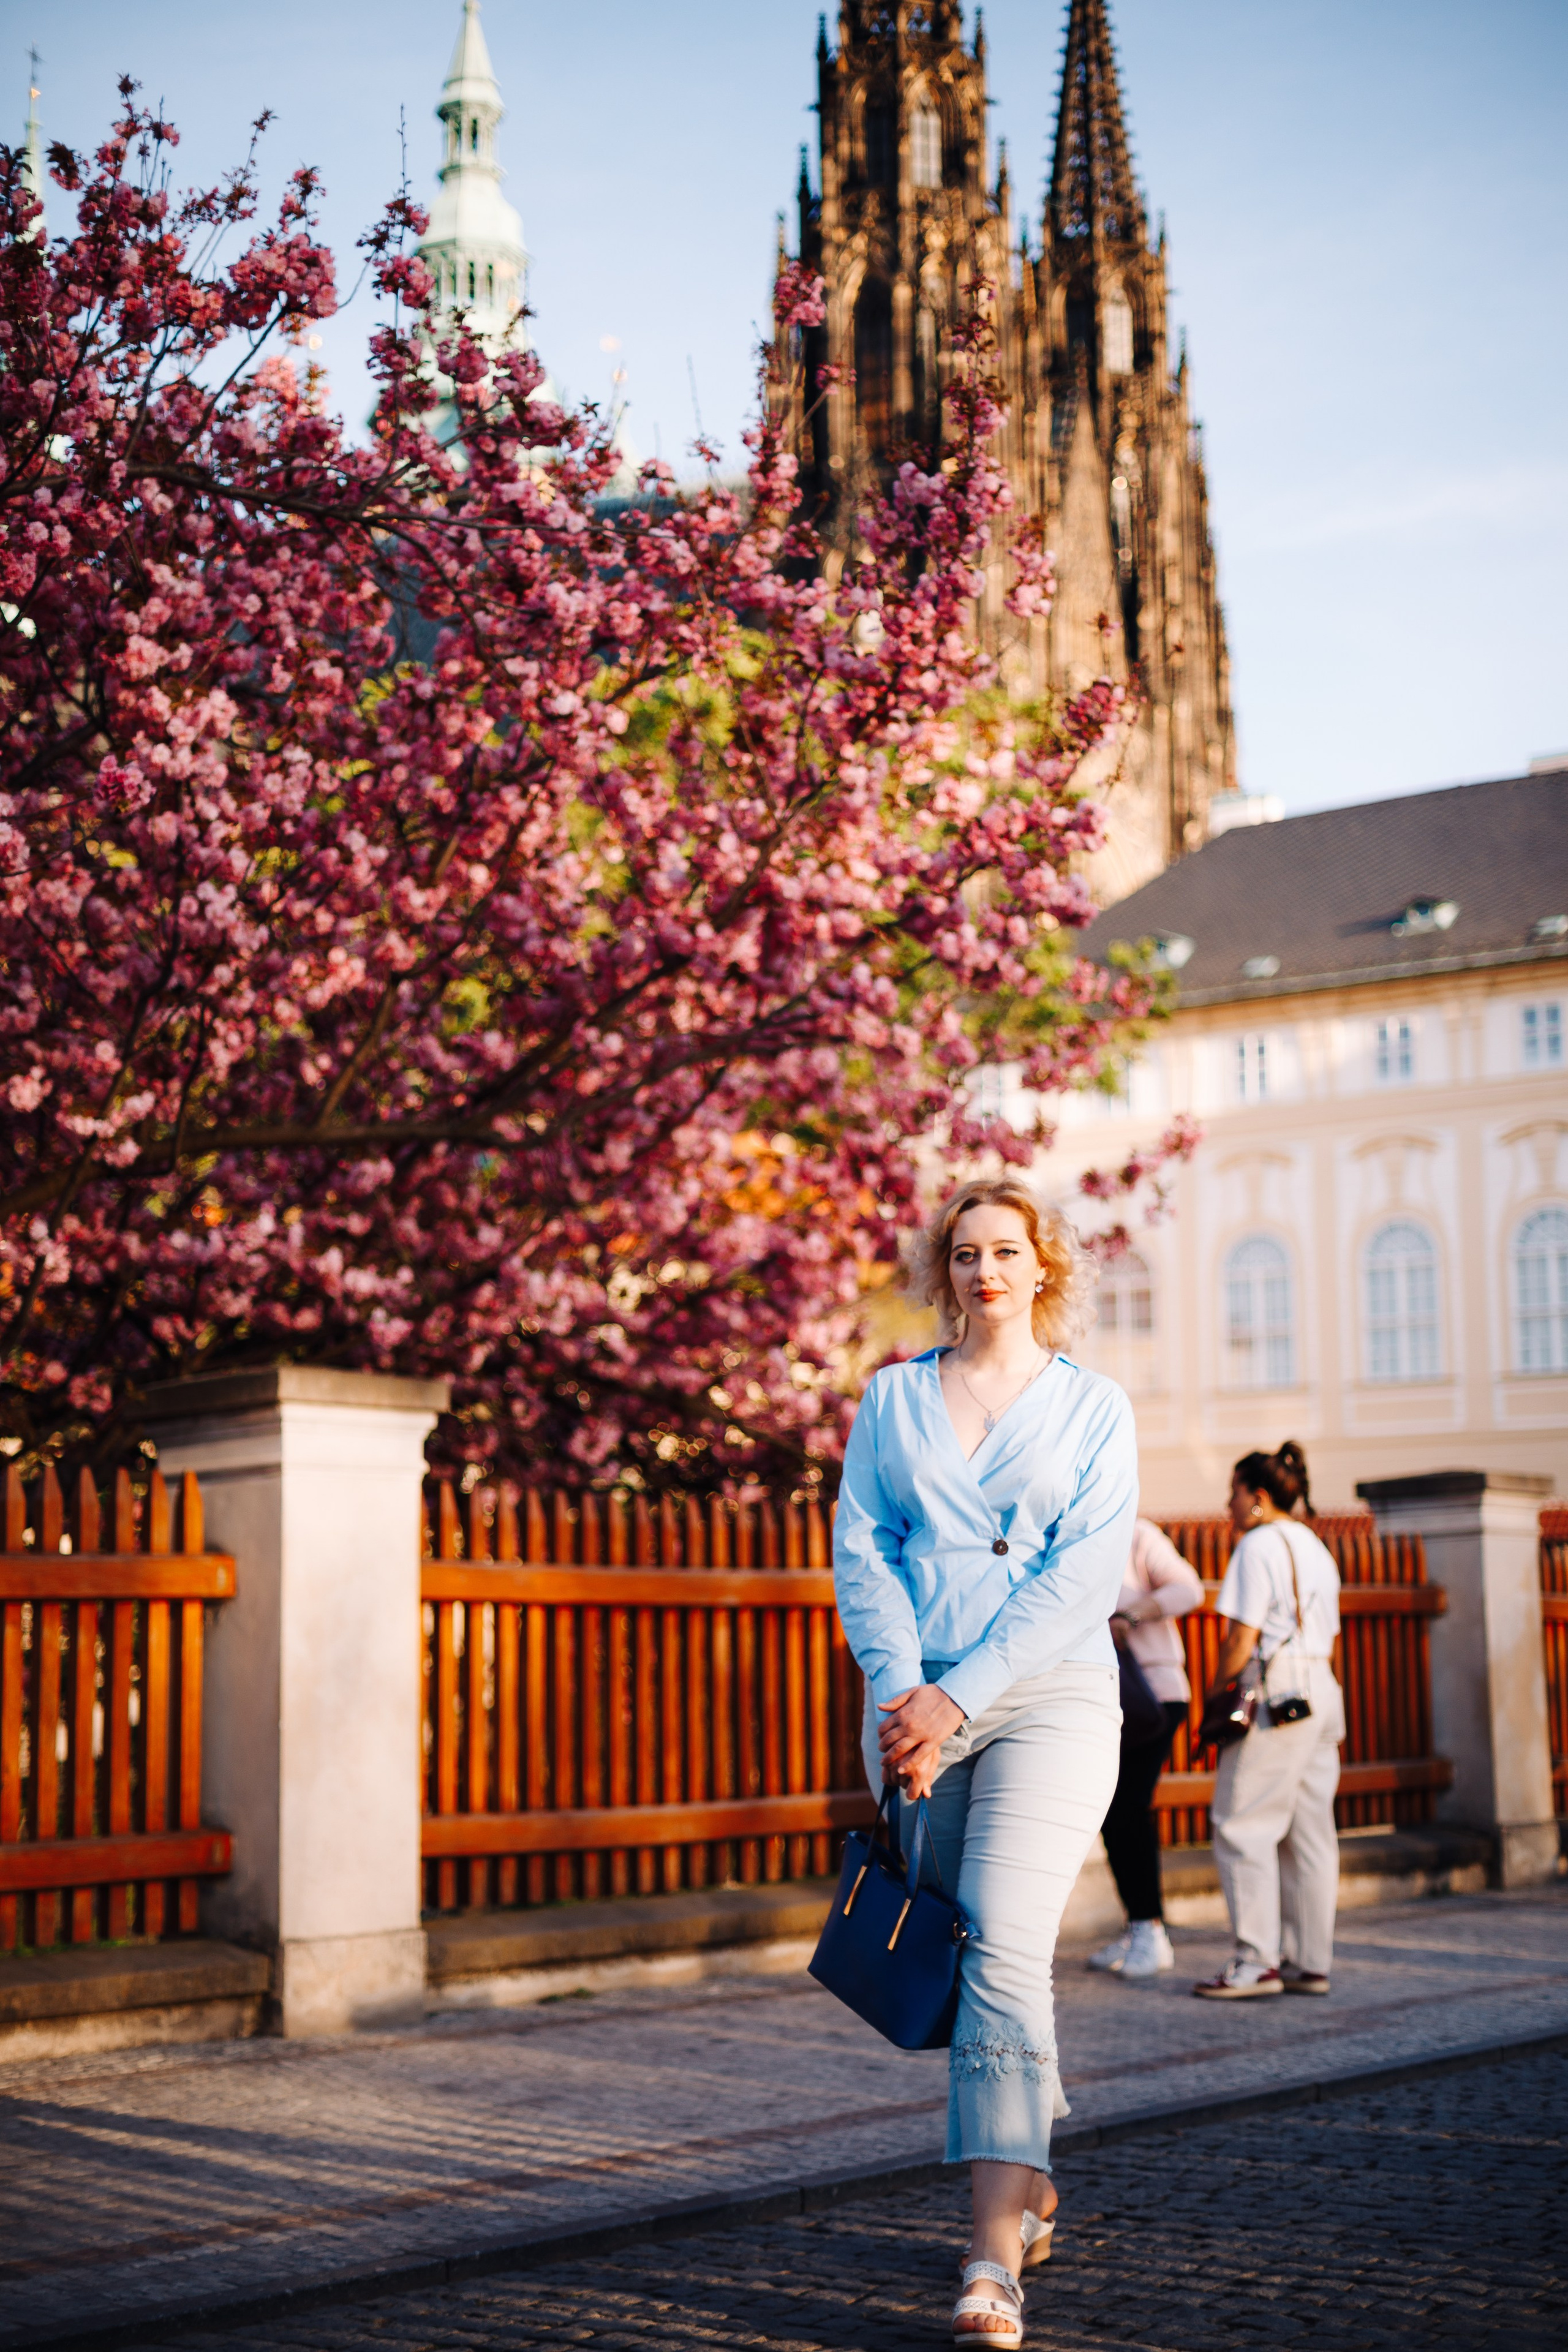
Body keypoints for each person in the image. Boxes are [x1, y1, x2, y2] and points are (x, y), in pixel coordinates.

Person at [834, 1177, 1136, 2346]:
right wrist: (905, 1696)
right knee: (971, 1960)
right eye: (965, 1254)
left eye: (1008, 1250)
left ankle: (991, 2261)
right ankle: (1031, 2156)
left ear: (1044, 1265)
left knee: (1008, 1946)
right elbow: (867, 1550)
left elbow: (1078, 1579)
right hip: (915, 1712)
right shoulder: (894, 1398)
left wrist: (958, 1696)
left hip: (1046, 1703)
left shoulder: (1095, 1407)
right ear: (942, 1270)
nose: (986, 1272)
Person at [1194, 1441, 1345, 2000]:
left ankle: (1256, 1962)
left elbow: (1240, 1636)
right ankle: (1311, 1961)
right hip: (1320, 1690)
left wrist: (1216, 1694)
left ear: (1257, 1498)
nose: (1227, 1505)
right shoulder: (1315, 1547)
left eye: (1232, 1493)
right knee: (1310, 1834)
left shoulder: (1258, 1546)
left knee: (1241, 1823)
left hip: (1277, 1692)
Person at [1087, 1519, 1204, 1978]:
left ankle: (1151, 1931)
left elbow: (1188, 1589)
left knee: (1128, 1809)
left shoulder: (1136, 1533)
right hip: (1108, 1695)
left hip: (1152, 1693)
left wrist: (1129, 1616)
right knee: (1113, 1813)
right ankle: (1139, 1926)